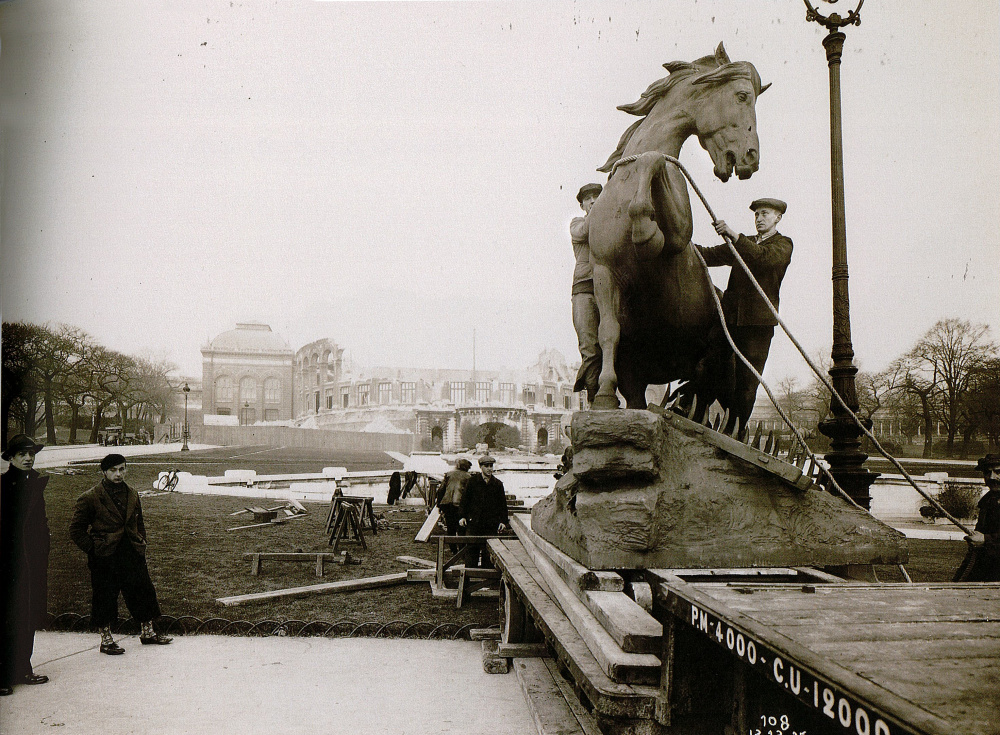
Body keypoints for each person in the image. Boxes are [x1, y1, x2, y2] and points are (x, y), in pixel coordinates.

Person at [696, 198, 793, 430]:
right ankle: (696, 414)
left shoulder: (783, 245)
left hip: (758, 326)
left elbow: (762, 258)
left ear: (778, 218)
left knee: (747, 385)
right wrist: (678, 243)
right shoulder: (744, 243)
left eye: (765, 214)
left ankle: (734, 433)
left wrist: (734, 236)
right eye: (757, 214)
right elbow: (708, 255)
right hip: (729, 321)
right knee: (706, 366)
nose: (759, 218)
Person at [69, 454, 172, 654]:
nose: (119, 474)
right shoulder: (90, 497)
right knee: (105, 596)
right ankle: (106, 640)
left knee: (143, 591)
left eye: (122, 469)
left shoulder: (132, 493)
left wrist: (141, 541)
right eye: (114, 470)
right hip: (105, 556)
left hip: (131, 552)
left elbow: (138, 522)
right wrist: (94, 549)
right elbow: (76, 530)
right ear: (104, 472)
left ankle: (148, 632)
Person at [1, 435, 51, 696]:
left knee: (28, 614)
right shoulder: (3, 486)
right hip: (8, 562)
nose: (28, 458)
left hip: (32, 561)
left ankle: (22, 667)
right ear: (11, 458)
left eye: (31, 454)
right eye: (22, 454)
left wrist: (43, 550)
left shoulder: (35, 484)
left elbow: (40, 523)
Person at [571, 183, 603, 404]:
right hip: (584, 290)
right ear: (582, 205)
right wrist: (602, 208)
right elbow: (583, 232)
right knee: (590, 347)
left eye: (597, 197)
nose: (592, 201)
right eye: (588, 199)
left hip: (609, 289)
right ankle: (594, 400)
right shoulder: (577, 223)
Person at [955, 454, 1000, 582]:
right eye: (987, 472)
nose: (992, 477)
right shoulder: (987, 502)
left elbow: (982, 540)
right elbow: (975, 553)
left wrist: (986, 540)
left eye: (998, 472)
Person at [459, 455, 509, 568]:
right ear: (481, 467)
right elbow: (464, 501)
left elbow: (502, 505)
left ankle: (487, 581)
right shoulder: (472, 482)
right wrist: (462, 517)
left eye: (491, 466)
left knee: (489, 553)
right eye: (486, 466)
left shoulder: (497, 484)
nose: (489, 469)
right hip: (474, 523)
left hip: (491, 524)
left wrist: (503, 521)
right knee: (471, 552)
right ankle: (468, 580)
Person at [436, 458, 472, 552]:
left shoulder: (448, 474)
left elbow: (441, 490)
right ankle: (461, 550)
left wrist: (439, 504)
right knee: (461, 528)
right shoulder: (468, 477)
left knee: (450, 528)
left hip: (447, 504)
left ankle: (453, 550)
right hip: (459, 505)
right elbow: (469, 494)